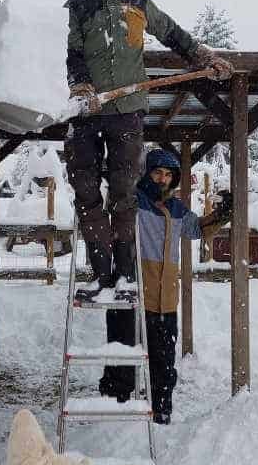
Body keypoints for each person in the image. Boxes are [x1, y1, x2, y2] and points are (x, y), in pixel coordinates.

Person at [64, 0, 233, 303]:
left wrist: (204, 57)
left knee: (124, 194)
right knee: (87, 192)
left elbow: (172, 33)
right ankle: (101, 275)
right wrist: (80, 86)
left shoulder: (137, 2)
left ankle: (125, 277)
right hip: (88, 113)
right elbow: (73, 53)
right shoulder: (78, 7)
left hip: (126, 113)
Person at [99, 148, 233, 424]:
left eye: (168, 175)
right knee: (122, 356)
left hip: (165, 299)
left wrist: (222, 214)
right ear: (147, 173)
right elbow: (112, 203)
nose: (162, 180)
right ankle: (116, 414)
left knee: (163, 361)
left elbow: (196, 229)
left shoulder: (176, 209)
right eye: (157, 173)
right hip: (133, 292)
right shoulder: (133, 202)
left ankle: (161, 412)